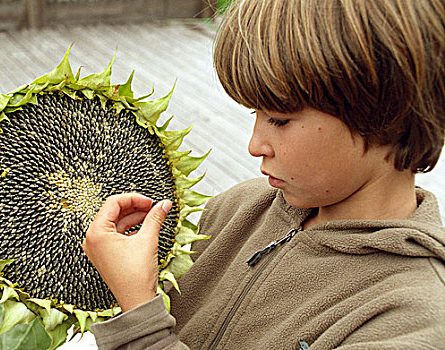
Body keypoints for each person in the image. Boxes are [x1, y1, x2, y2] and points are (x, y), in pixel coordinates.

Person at [82, 0, 445, 348]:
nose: (255, 145)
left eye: (280, 119)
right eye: (253, 113)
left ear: (387, 111)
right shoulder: (234, 209)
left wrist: (140, 317)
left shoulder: (413, 317)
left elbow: (146, 324)